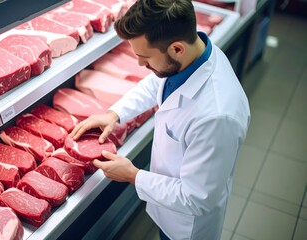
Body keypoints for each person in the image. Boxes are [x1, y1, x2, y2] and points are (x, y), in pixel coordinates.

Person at [70, 0, 251, 239]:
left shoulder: (217, 117)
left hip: (187, 227)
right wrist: (114, 113)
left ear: (177, 49)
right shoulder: (193, 54)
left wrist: (133, 175)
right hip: (166, 205)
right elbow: (157, 81)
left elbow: (196, 198)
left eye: (145, 57)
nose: (140, 64)